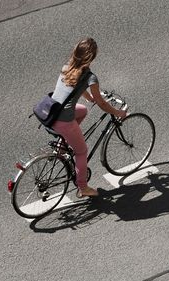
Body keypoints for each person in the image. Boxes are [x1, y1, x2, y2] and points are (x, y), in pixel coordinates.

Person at [51, 37, 127, 198]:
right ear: (92, 57)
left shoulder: (67, 67)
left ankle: (62, 146)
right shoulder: (90, 77)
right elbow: (102, 104)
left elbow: (73, 86)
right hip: (64, 121)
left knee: (82, 110)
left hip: (51, 113)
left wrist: (87, 97)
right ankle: (83, 188)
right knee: (81, 151)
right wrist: (118, 113)